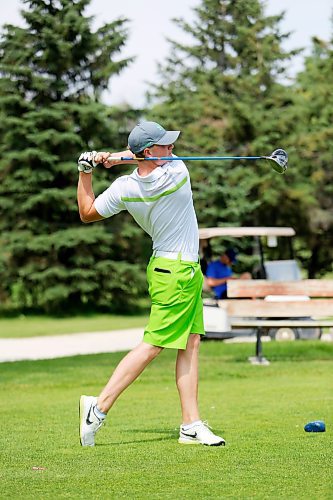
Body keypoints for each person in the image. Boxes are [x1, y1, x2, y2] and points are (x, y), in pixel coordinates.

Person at [77, 121, 225, 447]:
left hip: (169, 268)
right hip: (177, 273)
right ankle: (97, 408)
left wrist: (86, 170)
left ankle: (190, 424)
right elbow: (140, 160)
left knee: (191, 342)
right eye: (165, 147)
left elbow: (87, 212)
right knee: (153, 345)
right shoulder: (177, 174)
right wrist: (116, 157)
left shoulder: (123, 188)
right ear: (148, 152)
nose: (172, 150)